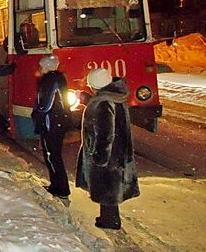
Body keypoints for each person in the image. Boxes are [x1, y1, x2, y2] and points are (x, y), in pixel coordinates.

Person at [76, 68, 140, 230]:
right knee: (112, 187)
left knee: (108, 189)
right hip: (118, 152)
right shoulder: (113, 97)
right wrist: (88, 100)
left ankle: (110, 221)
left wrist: (100, 156)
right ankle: (109, 218)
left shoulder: (103, 104)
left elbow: (105, 133)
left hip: (109, 156)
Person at [31, 55, 71, 199]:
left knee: (51, 155)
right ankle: (58, 185)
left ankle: (60, 188)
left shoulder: (49, 81)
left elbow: (45, 105)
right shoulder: (58, 79)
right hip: (57, 122)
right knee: (54, 155)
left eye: (42, 66)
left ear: (47, 67)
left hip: (51, 122)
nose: (40, 69)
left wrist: (37, 113)